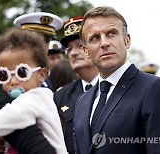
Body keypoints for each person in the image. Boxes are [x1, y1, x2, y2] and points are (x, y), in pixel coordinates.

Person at [73, 6, 160, 154]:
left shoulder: (155, 88)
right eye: (95, 38)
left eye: (111, 34)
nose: (104, 43)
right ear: (86, 51)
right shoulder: (82, 101)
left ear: (127, 40)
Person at [0, 28, 67, 154]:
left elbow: (3, 120)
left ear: (42, 74)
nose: (13, 81)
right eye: (4, 75)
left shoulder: (36, 98)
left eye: (21, 72)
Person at [54, 16, 99, 154]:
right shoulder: (60, 96)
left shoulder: (118, 88)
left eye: (80, 45)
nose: (73, 53)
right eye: (69, 49)